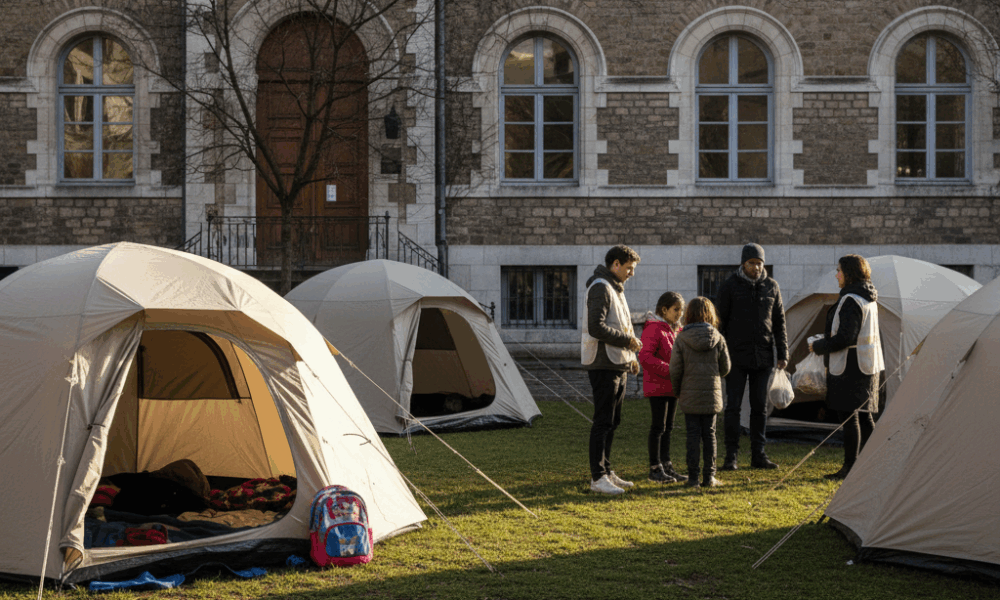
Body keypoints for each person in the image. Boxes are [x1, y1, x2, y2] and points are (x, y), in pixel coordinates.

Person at [809, 255, 884, 480]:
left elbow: (845, 337)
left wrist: (819, 346)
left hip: (851, 367)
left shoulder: (852, 299)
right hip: (867, 365)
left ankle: (851, 468)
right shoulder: (868, 298)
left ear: (849, 273)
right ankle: (872, 466)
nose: (836, 274)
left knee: (851, 417)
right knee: (864, 416)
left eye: (839, 270)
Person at [716, 243, 788, 471]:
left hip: (763, 357)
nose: (756, 268)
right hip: (735, 357)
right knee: (733, 407)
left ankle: (759, 454)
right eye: (752, 263)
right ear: (743, 264)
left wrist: (783, 353)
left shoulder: (772, 287)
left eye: (760, 263)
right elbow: (720, 323)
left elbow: (779, 322)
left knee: (760, 407)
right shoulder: (729, 286)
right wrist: (721, 353)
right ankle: (731, 456)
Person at [582, 244, 643, 495]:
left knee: (613, 420)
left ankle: (606, 471)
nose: (632, 273)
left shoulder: (614, 288)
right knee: (603, 420)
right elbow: (596, 328)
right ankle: (598, 477)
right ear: (615, 264)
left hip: (617, 362)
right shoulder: (601, 287)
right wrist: (628, 342)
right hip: (603, 363)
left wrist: (631, 358)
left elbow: (622, 325)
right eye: (629, 268)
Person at [670, 297, 731, 489]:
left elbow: (675, 369)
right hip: (711, 395)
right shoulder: (718, 337)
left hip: (689, 394)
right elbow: (726, 368)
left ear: (688, 314)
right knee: (710, 435)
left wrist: (678, 390)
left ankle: (693, 478)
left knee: (693, 436)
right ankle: (709, 477)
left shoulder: (681, 338)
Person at [638, 292, 685, 484]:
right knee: (658, 427)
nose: (679, 314)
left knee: (668, 427)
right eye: (676, 310)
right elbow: (645, 357)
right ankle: (655, 468)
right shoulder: (654, 328)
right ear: (664, 310)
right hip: (658, 385)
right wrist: (670, 370)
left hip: (672, 386)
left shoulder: (673, 330)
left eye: (681, 310)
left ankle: (666, 464)